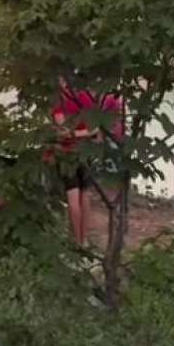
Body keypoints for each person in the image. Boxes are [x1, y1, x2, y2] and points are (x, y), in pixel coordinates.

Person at [51, 76, 125, 247]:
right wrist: (86, 134)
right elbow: (96, 128)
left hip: (68, 154)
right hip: (87, 151)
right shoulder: (85, 97)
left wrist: (73, 134)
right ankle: (83, 240)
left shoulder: (60, 101)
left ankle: (77, 241)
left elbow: (63, 131)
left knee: (74, 197)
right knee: (85, 195)